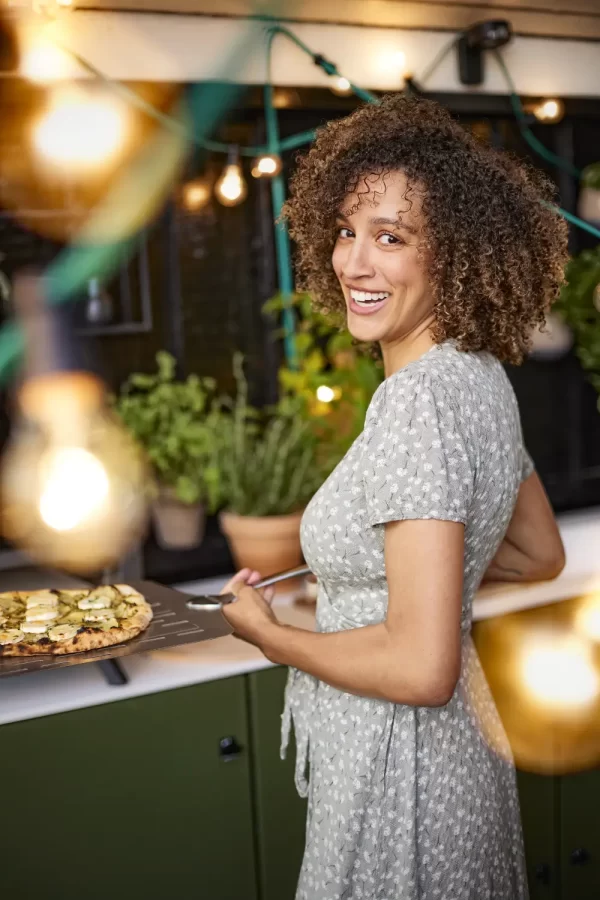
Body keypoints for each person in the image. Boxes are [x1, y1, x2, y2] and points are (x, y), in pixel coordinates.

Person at [220, 95, 568, 900]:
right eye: (347, 230)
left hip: (399, 772)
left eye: (392, 237)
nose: (354, 263)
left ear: (455, 254)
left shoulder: (417, 403)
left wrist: (272, 638)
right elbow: (537, 554)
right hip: (457, 768)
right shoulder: (477, 377)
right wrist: (399, 588)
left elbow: (419, 668)